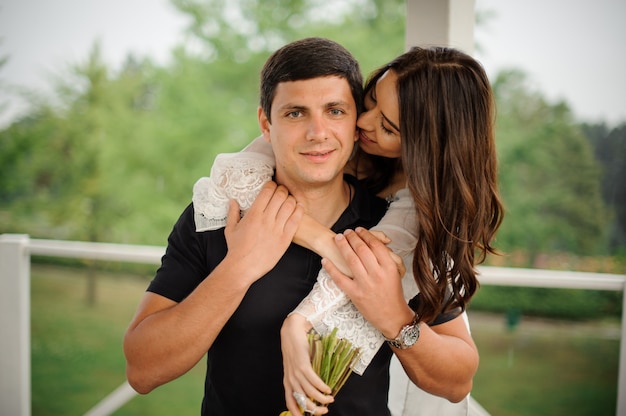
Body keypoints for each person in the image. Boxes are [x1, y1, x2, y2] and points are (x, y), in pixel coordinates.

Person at [192, 46, 504, 416]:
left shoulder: (418, 216)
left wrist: (388, 317)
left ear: (423, 148)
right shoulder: (322, 141)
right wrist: (326, 242)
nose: (363, 122)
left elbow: (457, 379)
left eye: (387, 127)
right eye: (368, 102)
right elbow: (237, 173)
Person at [124, 37, 399, 415]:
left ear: (356, 125)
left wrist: (400, 321)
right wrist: (241, 267)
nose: (317, 132)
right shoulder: (215, 214)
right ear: (265, 124)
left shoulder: (393, 227)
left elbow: (455, 380)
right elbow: (143, 369)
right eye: (295, 113)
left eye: (334, 111)